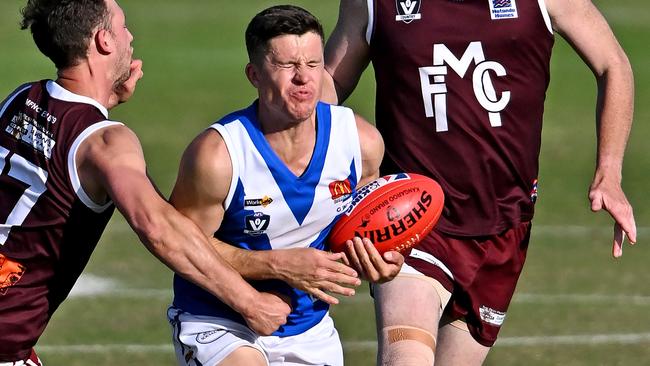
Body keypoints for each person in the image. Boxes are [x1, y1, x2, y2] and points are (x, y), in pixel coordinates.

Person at [324, 0, 637, 364]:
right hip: (413, 215)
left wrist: (609, 172)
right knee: (404, 356)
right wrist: (268, 141)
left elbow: (612, 63)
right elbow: (331, 79)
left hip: (502, 226)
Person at [0, 0, 291, 364]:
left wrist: (104, 99)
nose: (130, 36)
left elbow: (65, 141)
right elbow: (158, 227)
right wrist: (251, 302)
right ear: (104, 41)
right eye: (123, 27)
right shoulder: (106, 143)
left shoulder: (20, 98)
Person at [166, 5, 404, 366]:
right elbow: (180, 246)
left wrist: (378, 259)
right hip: (219, 320)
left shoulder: (360, 143)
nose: (303, 79)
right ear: (254, 74)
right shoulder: (219, 155)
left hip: (308, 328)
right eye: (287, 66)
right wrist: (276, 266)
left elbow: (359, 231)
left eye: (312, 64)